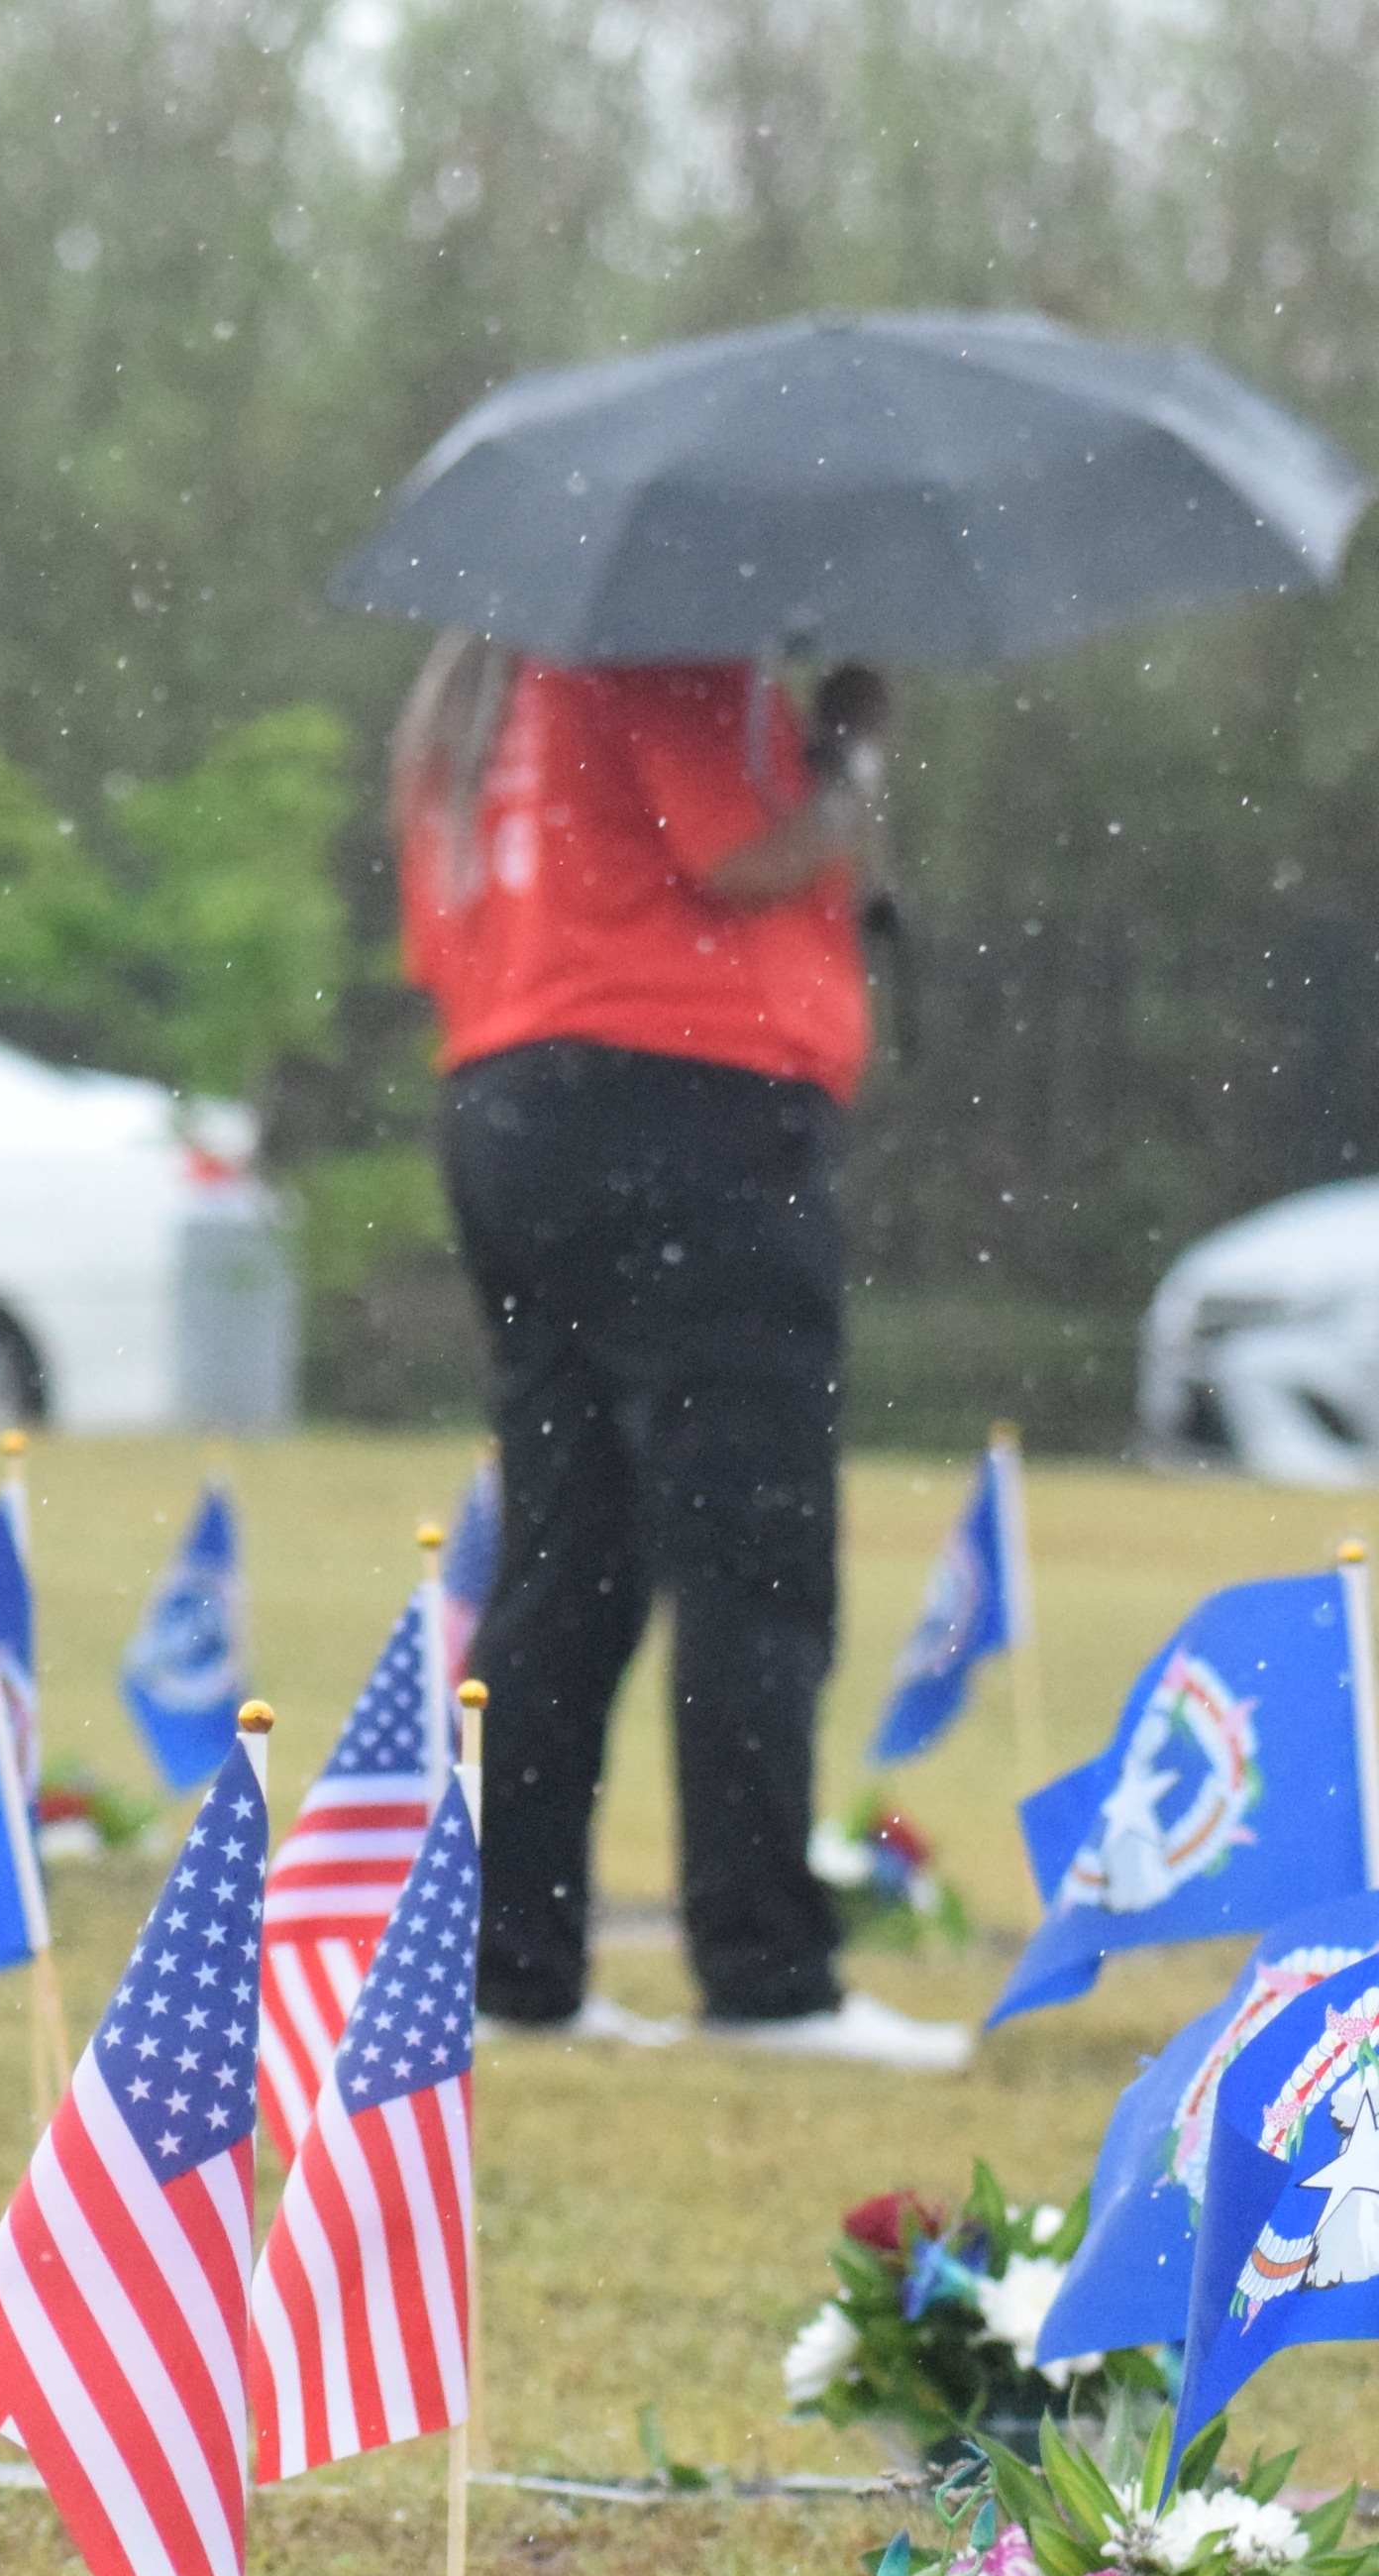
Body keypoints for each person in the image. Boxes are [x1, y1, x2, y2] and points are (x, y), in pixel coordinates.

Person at [390, 633, 962, 2072]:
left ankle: (515, 1962)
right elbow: (745, 857)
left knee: (566, 1557)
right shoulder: (658, 648)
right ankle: (766, 1973)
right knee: (752, 1554)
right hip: (689, 1111)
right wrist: (854, 760)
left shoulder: (477, 699)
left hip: (517, 1100)